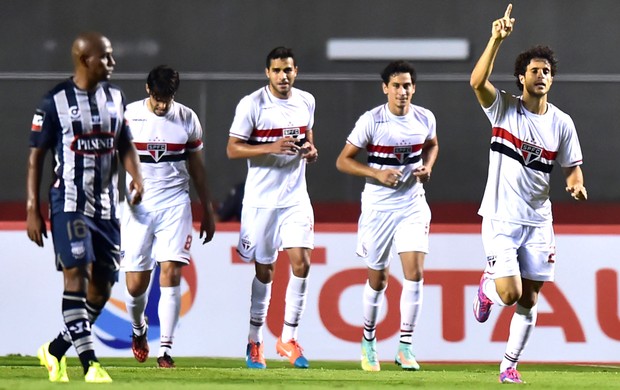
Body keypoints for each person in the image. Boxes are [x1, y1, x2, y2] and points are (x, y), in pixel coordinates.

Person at [470, 4, 587, 384]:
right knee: (508, 293)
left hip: (539, 220)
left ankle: (509, 365)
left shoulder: (562, 123)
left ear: (552, 79)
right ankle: (487, 286)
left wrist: (575, 182)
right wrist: (496, 39)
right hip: (502, 217)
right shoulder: (504, 109)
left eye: (547, 71)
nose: (542, 75)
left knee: (530, 298)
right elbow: (476, 82)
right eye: (535, 70)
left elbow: (572, 166)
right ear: (521, 77)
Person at [26, 32, 144, 383]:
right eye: (106, 57)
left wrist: (137, 177)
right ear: (84, 60)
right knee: (74, 277)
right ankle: (91, 364)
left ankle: (55, 349)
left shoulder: (116, 97)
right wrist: (33, 208)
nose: (112, 63)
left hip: (107, 207)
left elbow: (124, 143)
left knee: (103, 288)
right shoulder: (54, 102)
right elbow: (36, 157)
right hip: (69, 204)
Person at [336, 60, 439, 372]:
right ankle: (368, 342)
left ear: (414, 88)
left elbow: (432, 145)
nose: (402, 91)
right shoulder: (372, 121)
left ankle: (405, 347)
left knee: (415, 272)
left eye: (407, 85)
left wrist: (428, 167)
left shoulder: (425, 118)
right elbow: (343, 161)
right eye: (396, 85)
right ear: (385, 88)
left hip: (412, 203)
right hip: (379, 206)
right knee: (377, 278)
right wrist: (376, 174)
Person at [226, 46, 318, 369]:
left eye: (288, 70)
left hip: (294, 196)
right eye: (277, 70)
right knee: (264, 271)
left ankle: (288, 337)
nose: (283, 76)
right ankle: (255, 340)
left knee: (302, 262)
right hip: (262, 200)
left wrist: (310, 149)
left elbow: (307, 135)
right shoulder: (252, 105)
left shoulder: (306, 101)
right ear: (268, 73)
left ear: (296, 71)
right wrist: (270, 147)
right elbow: (233, 149)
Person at [122, 65, 216, 368]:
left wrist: (208, 210)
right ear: (149, 90)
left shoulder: (187, 118)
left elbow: (198, 169)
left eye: (169, 98)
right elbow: (116, 158)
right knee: (136, 285)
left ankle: (165, 349)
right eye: (159, 98)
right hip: (138, 207)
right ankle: (139, 330)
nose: (163, 105)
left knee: (172, 272)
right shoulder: (129, 116)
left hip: (175, 204)